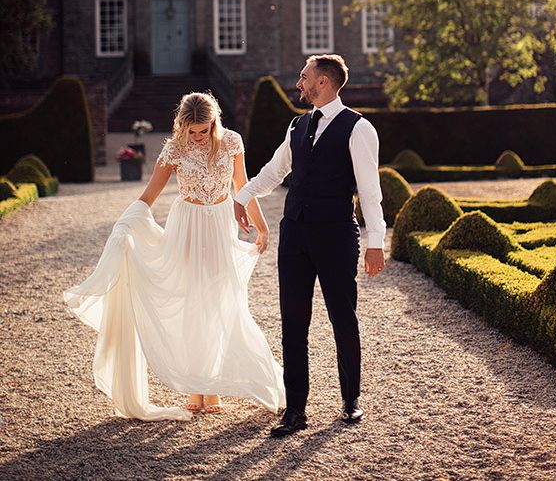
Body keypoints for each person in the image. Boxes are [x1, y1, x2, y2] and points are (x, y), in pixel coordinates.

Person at [64, 92, 285, 420]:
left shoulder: (231, 143)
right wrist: (126, 225)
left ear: (214, 122)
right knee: (193, 302)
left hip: (220, 226)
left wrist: (262, 224)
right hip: (187, 228)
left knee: (222, 301)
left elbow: (244, 187)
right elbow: (148, 195)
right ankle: (198, 385)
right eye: (192, 131)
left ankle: (214, 384)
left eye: (204, 129)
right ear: (182, 125)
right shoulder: (173, 149)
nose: (198, 136)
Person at [234, 54, 386, 437]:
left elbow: (370, 191)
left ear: (323, 82)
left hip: (336, 235)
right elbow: (275, 170)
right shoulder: (297, 125)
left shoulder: (358, 128)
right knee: (293, 323)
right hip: (296, 236)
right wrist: (243, 195)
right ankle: (295, 411)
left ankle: (351, 400)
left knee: (342, 319)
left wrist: (375, 242)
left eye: (304, 77)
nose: (298, 84)